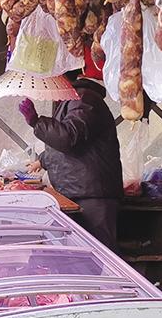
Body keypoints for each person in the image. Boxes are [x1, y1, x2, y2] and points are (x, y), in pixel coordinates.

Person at [19, 69, 123, 244]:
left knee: (98, 255)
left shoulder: (84, 99)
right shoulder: (69, 101)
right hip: (77, 193)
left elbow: (69, 137)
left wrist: (37, 122)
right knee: (81, 257)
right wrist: (43, 160)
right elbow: (67, 146)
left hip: (92, 196)